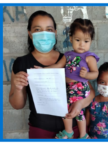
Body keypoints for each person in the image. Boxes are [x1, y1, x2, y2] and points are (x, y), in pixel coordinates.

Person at [9, 10, 95, 139]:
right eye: (37, 29)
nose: (44, 34)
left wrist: (79, 104)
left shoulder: (70, 59)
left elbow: (91, 93)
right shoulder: (21, 63)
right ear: (30, 34)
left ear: (55, 33)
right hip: (40, 130)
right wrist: (18, 88)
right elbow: (17, 105)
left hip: (73, 130)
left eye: (49, 29)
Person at [35, 18, 99, 139]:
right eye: (78, 40)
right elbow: (58, 66)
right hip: (70, 88)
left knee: (70, 109)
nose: (82, 44)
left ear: (91, 41)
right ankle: (78, 134)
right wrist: (43, 70)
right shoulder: (68, 55)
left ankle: (74, 133)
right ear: (70, 39)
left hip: (81, 87)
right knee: (71, 110)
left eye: (86, 41)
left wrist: (86, 75)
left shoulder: (89, 57)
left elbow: (95, 73)